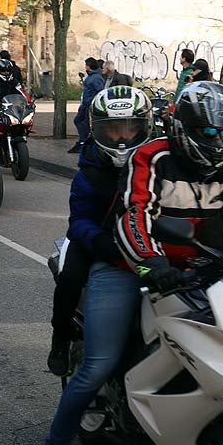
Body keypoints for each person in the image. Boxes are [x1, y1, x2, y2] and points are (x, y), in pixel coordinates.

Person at [31, 81, 223, 445]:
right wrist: (150, 262)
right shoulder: (153, 157)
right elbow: (135, 212)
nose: (218, 142)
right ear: (183, 128)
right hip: (129, 265)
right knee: (97, 366)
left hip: (198, 268)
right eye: (209, 133)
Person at [45, 86, 152, 376]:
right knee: (70, 279)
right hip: (99, 241)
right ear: (97, 130)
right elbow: (78, 223)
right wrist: (104, 243)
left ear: (145, 127)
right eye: (113, 129)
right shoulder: (88, 171)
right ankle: (61, 336)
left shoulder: (156, 165)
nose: (121, 137)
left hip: (145, 242)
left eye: (130, 129)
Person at [70, 57, 104, 153]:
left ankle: (84, 141)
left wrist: (91, 102)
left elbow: (99, 91)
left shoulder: (96, 77)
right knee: (78, 121)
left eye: (86, 65)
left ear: (89, 66)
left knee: (83, 123)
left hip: (88, 104)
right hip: (85, 104)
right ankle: (83, 140)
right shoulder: (91, 76)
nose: (85, 67)